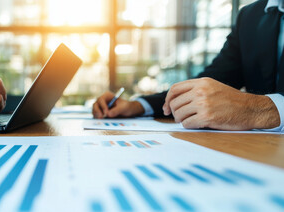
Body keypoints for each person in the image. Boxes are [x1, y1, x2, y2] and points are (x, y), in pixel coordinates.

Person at [93, 0, 284, 131]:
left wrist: (257, 110)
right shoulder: (251, 16)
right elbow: (209, 81)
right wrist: (137, 105)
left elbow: (250, 107)